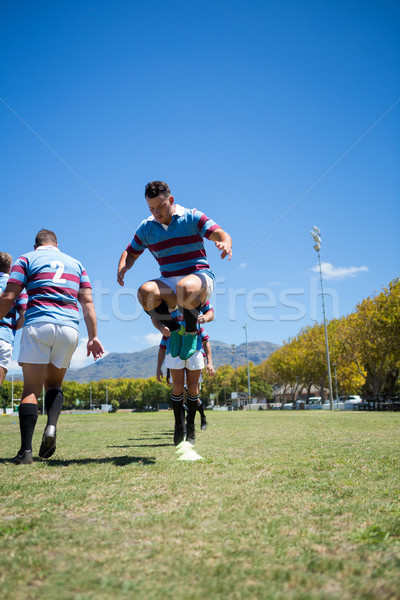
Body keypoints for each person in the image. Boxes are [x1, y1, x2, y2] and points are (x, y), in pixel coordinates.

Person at [0, 229, 104, 464]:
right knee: (54, 384)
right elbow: (87, 302)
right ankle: (51, 427)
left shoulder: (26, 259)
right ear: (57, 244)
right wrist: (93, 336)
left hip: (38, 325)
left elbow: (9, 296)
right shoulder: (77, 264)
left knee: (30, 390)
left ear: (36, 246)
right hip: (69, 328)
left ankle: (25, 452)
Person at [117, 180, 232, 361]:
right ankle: (177, 331)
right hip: (169, 281)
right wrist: (123, 266)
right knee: (144, 292)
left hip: (199, 277)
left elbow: (221, 233)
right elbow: (130, 253)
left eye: (160, 206)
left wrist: (225, 243)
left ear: (171, 200)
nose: (156, 213)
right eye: (151, 208)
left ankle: (191, 333)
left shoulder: (191, 216)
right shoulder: (147, 227)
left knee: (185, 287)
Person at [156, 305, 215, 445]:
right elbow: (162, 348)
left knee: (193, 387)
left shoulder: (196, 318)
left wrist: (210, 362)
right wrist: (158, 368)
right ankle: (178, 427)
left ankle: (190, 428)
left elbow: (206, 342)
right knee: (177, 387)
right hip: (174, 351)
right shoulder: (170, 309)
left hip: (194, 351)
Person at [0, 252, 27, 387]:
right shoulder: (16, 288)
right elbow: (24, 316)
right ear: (10, 267)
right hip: (4, 336)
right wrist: (14, 327)